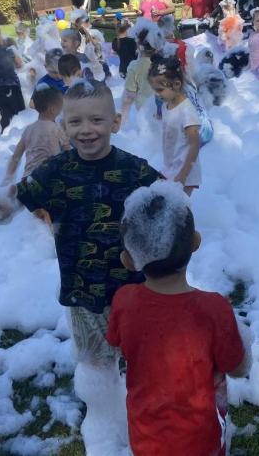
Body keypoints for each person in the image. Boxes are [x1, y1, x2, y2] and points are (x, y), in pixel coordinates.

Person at [0, 81, 160, 453]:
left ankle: (145, 416)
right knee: (95, 363)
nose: (86, 129)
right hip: (81, 290)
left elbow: (167, 199)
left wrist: (176, 235)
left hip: (133, 288)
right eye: (75, 121)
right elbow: (20, 194)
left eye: (96, 120)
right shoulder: (55, 171)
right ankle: (105, 426)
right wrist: (3, 205)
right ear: (63, 127)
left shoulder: (133, 168)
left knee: (143, 358)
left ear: (114, 122)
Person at [106, 181, 251, 456]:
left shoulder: (124, 300)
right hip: (200, 440)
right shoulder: (213, 309)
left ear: (128, 260)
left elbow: (116, 342)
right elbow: (236, 367)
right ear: (196, 242)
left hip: (144, 437)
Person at [148, 56, 202, 195]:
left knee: (179, 205)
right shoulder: (166, 106)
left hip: (185, 170)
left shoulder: (186, 111)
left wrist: (183, 174)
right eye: (154, 90)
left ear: (177, 84)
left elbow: (195, 144)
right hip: (171, 165)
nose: (156, 94)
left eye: (160, 90)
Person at [4, 86, 70, 184]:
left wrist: (8, 178)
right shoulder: (56, 128)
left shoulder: (29, 129)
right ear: (53, 109)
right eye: (61, 107)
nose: (61, 111)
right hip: (50, 176)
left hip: (28, 178)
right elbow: (68, 152)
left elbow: (16, 157)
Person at [120, 25, 157, 123]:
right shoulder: (163, 63)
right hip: (163, 107)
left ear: (138, 46)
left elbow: (128, 97)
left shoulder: (135, 66)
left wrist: (122, 120)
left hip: (144, 110)